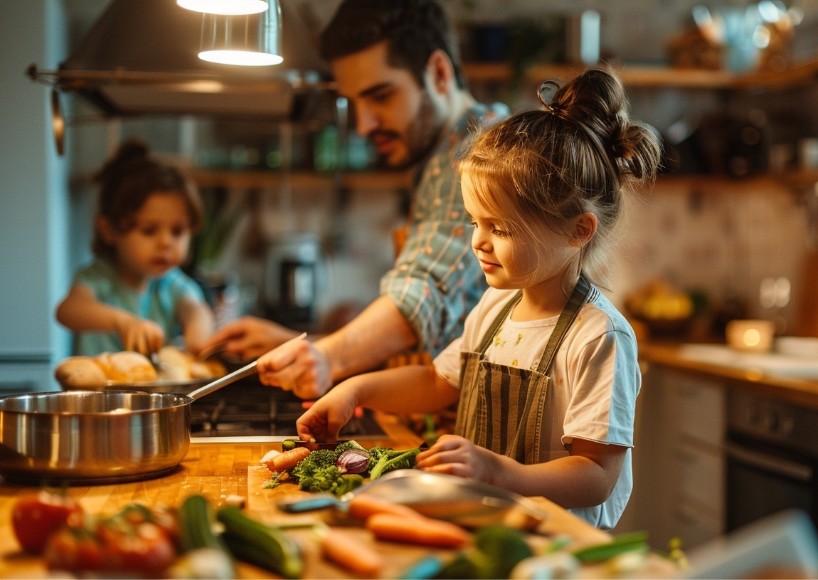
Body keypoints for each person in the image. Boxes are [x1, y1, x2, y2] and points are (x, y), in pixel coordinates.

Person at [297, 67, 662, 529]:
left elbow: (597, 475)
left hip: (552, 544)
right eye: (475, 222)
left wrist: (498, 472)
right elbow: (437, 382)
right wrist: (354, 389)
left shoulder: (598, 337)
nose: (478, 242)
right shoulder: (497, 307)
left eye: (501, 228)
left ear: (578, 230)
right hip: (479, 524)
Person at [202, 0, 508, 399]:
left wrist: (327, 356)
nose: (364, 125)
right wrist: (303, 342)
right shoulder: (438, 159)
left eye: (381, 96)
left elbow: (426, 291)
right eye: (354, 103)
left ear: (437, 73)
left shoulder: (483, 154)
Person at [56, 140, 215, 356]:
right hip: (97, 388)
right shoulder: (98, 278)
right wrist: (123, 322)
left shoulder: (172, 285)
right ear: (109, 230)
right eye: (149, 230)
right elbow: (68, 310)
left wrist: (198, 337)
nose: (166, 243)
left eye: (177, 231)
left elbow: (195, 310)